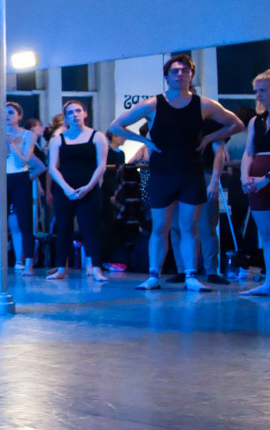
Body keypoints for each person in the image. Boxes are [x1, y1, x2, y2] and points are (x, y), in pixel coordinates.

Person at [109, 54, 243, 291]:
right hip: (162, 174)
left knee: (190, 228)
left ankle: (191, 275)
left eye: (184, 71)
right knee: (160, 227)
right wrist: (145, 142)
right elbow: (115, 126)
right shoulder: (153, 104)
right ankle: (153, 275)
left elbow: (236, 124)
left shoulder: (203, 105)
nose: (179, 74)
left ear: (191, 75)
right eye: (175, 71)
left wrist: (210, 137)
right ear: (167, 76)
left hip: (190, 173)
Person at [45, 100, 110, 281]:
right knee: (63, 227)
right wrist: (66, 188)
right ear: (66, 117)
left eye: (78, 111)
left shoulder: (97, 137)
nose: (75, 115)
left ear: (85, 113)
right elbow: (52, 167)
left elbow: (101, 165)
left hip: (88, 188)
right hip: (65, 189)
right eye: (71, 113)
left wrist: (89, 187)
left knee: (91, 227)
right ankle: (61, 268)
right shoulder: (58, 140)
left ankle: (96, 267)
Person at [170, 118, 230, 284]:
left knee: (205, 225)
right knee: (177, 225)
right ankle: (183, 269)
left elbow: (219, 153)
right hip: (178, 175)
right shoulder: (172, 120)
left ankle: (211, 270)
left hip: (203, 174)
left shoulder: (210, 123)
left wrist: (214, 180)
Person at [239, 70, 270, 296]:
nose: (258, 96)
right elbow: (248, 153)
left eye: (263, 90)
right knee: (266, 233)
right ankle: (269, 281)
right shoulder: (256, 121)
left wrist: (265, 179)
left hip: (264, 179)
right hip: (257, 182)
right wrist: (244, 176)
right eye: (256, 91)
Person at [4, 102, 38, 275]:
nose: (7, 115)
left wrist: (12, 144)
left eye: (10, 112)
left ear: (19, 115)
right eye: (4, 113)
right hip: (2, 178)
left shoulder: (28, 135)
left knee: (25, 222)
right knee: (0, 222)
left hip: (20, 177)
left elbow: (24, 160)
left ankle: (28, 263)